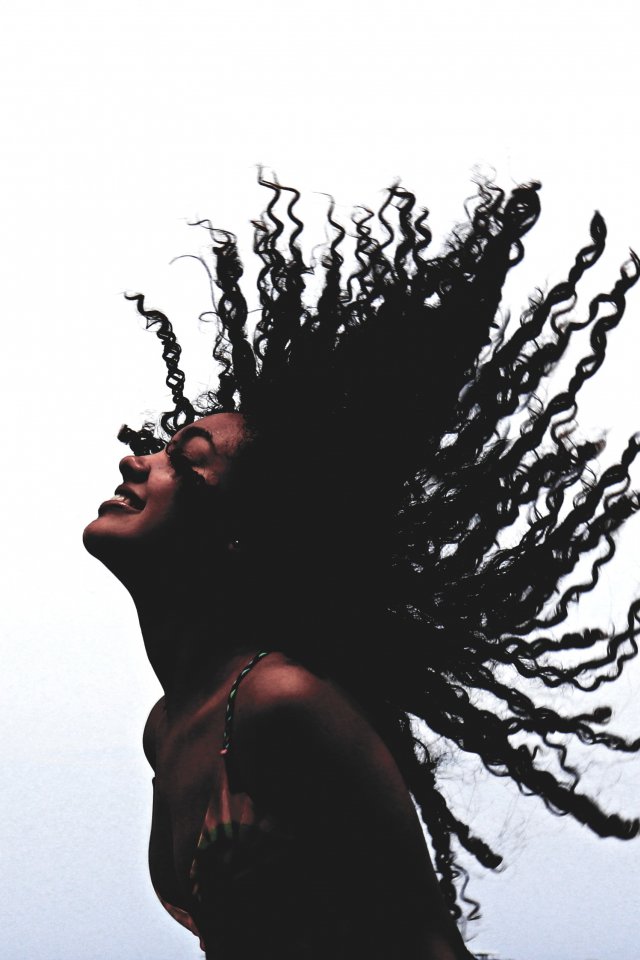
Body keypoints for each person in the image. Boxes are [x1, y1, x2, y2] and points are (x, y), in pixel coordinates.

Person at [84, 175, 640, 959]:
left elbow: (430, 943)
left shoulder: (280, 702)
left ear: (239, 533)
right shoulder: (168, 726)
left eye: (188, 459)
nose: (139, 460)